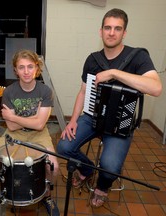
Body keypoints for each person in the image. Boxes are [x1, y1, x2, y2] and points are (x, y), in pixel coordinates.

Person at [57, 8, 163, 208]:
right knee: (63, 147)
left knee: (110, 166)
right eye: (107, 28)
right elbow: (83, 92)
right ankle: (87, 169)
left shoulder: (137, 57)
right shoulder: (93, 59)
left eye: (117, 28)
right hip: (92, 117)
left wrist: (114, 72)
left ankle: (102, 186)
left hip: (120, 124)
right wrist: (72, 121)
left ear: (124, 33)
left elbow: (156, 88)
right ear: (101, 31)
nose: (111, 32)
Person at [0, 49, 60, 215]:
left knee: (54, 168)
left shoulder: (45, 91)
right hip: (14, 135)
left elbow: (40, 125)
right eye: (21, 67)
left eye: (30, 67)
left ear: (37, 69)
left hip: (39, 135)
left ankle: (47, 195)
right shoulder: (9, 92)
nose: (26, 71)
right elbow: (11, 127)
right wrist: (35, 116)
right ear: (15, 70)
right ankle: (0, 191)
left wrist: (14, 116)